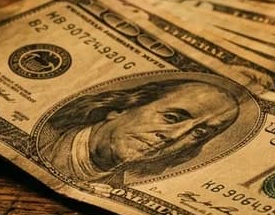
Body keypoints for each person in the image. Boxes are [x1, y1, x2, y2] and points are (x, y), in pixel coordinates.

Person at [38, 78, 240, 187]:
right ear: (122, 108)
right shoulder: (43, 137)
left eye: (200, 133)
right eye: (172, 118)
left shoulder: (116, 191)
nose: (174, 136)